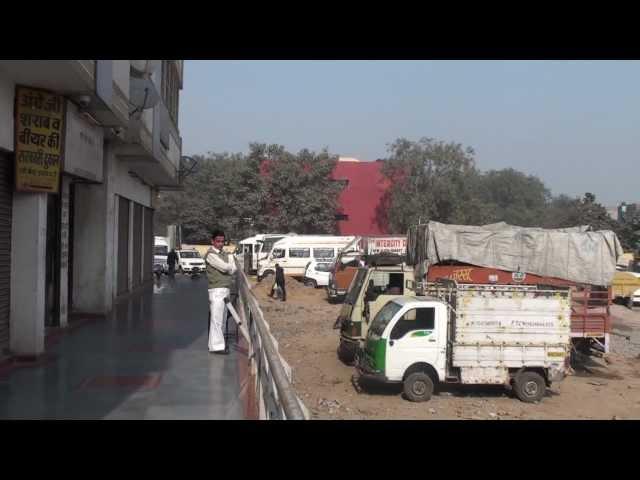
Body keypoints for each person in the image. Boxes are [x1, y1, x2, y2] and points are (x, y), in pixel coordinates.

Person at [204, 230, 237, 354]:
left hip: (226, 289)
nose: (220, 244)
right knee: (216, 319)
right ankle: (216, 347)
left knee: (222, 319)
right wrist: (230, 263)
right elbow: (226, 267)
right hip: (216, 290)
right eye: (218, 241)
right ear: (212, 241)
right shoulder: (210, 255)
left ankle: (219, 344)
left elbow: (233, 269)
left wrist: (229, 265)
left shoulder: (225, 254)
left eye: (222, 241)